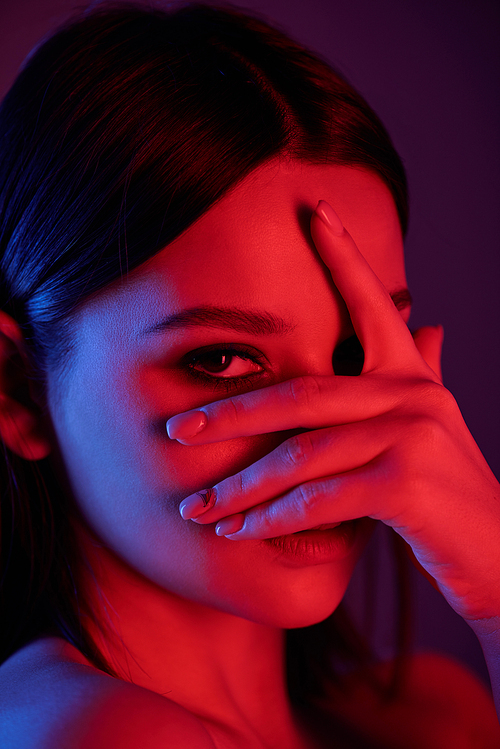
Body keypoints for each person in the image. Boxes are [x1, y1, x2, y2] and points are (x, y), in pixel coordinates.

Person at [0, 3, 499, 747]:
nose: (323, 434)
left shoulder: (440, 711)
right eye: (223, 361)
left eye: (361, 349)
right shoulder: (99, 732)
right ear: (17, 389)